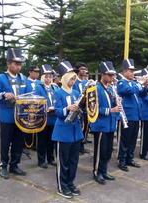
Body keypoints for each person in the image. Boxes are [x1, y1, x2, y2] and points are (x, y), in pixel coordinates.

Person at [0, 48, 28, 179]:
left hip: (21, 117)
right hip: (6, 116)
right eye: (16, 64)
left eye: (20, 64)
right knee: (4, 143)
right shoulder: (0, 77)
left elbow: (28, 95)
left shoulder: (24, 78)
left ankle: (14, 165)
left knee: (18, 142)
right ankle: (3, 165)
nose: (18, 66)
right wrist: (4, 94)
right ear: (8, 64)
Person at [52, 61, 83, 198]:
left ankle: (70, 183)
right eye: (71, 78)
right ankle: (61, 186)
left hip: (76, 131)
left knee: (73, 161)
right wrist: (67, 109)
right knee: (63, 161)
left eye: (74, 78)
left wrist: (80, 110)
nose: (73, 80)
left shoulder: (76, 92)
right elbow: (57, 111)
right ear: (65, 79)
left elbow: (80, 109)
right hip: (63, 132)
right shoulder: (58, 93)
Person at [90, 61, 121, 185]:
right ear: (103, 75)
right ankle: (97, 172)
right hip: (101, 125)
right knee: (100, 151)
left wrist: (117, 101)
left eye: (113, 75)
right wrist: (111, 110)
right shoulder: (95, 88)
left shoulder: (110, 88)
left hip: (110, 125)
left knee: (108, 150)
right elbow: (93, 108)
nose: (112, 78)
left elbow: (113, 104)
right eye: (110, 75)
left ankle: (104, 170)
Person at [117, 59, 148, 171]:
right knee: (125, 140)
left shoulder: (134, 83)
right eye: (131, 71)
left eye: (133, 71)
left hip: (136, 115)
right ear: (125, 71)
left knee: (133, 139)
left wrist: (145, 86)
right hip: (127, 116)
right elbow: (129, 91)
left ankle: (130, 158)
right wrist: (140, 83)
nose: (133, 73)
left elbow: (143, 94)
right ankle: (122, 160)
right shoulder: (121, 82)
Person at [35, 64, 58, 168]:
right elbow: (36, 102)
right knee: (42, 140)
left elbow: (57, 100)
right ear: (43, 77)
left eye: (50, 76)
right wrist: (46, 108)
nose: (48, 78)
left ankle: (51, 158)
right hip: (43, 117)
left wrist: (54, 107)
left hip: (53, 117)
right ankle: (41, 160)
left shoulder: (55, 87)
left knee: (51, 140)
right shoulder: (38, 87)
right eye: (46, 76)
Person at [73, 62, 90, 154]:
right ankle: (77, 146)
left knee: (86, 127)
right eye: (82, 69)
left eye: (85, 69)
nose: (84, 71)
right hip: (78, 107)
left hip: (86, 107)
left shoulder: (86, 82)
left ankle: (82, 145)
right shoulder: (75, 81)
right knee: (79, 126)